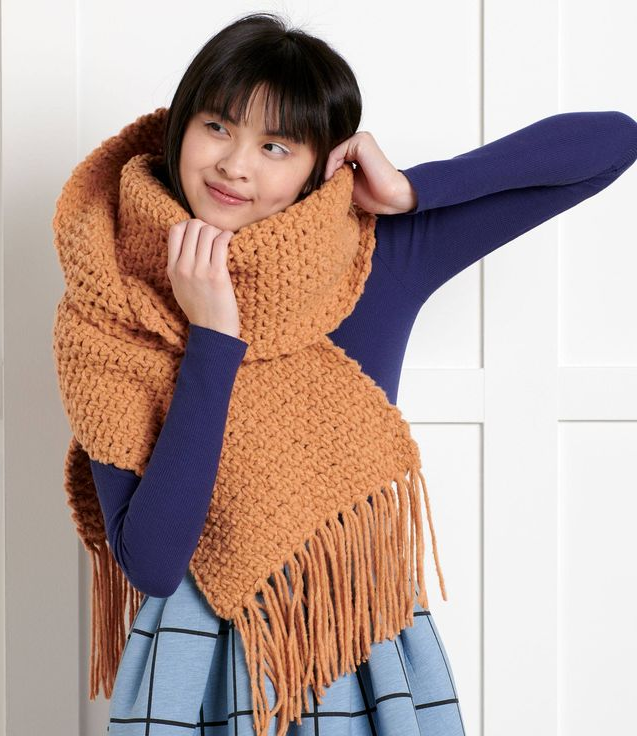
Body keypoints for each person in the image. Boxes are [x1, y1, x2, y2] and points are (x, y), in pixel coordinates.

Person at [63, 11, 637, 736]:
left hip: (353, 641)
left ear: (319, 164)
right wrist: (213, 338)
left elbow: (614, 141)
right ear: (179, 128)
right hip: (192, 671)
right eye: (217, 127)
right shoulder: (107, 305)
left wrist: (413, 191)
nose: (236, 164)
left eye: (276, 145)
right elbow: (152, 562)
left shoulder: (372, 254)